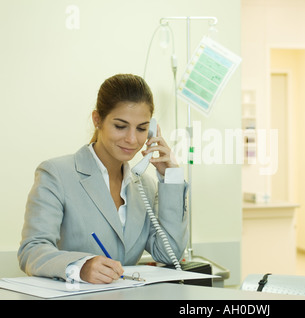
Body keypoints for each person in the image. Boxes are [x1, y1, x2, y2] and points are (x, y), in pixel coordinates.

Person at [18, 74, 188, 284]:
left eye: (142, 128)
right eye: (120, 126)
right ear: (97, 119)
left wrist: (170, 177)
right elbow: (31, 250)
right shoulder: (56, 174)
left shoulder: (145, 186)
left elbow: (168, 252)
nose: (132, 139)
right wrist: (80, 267)